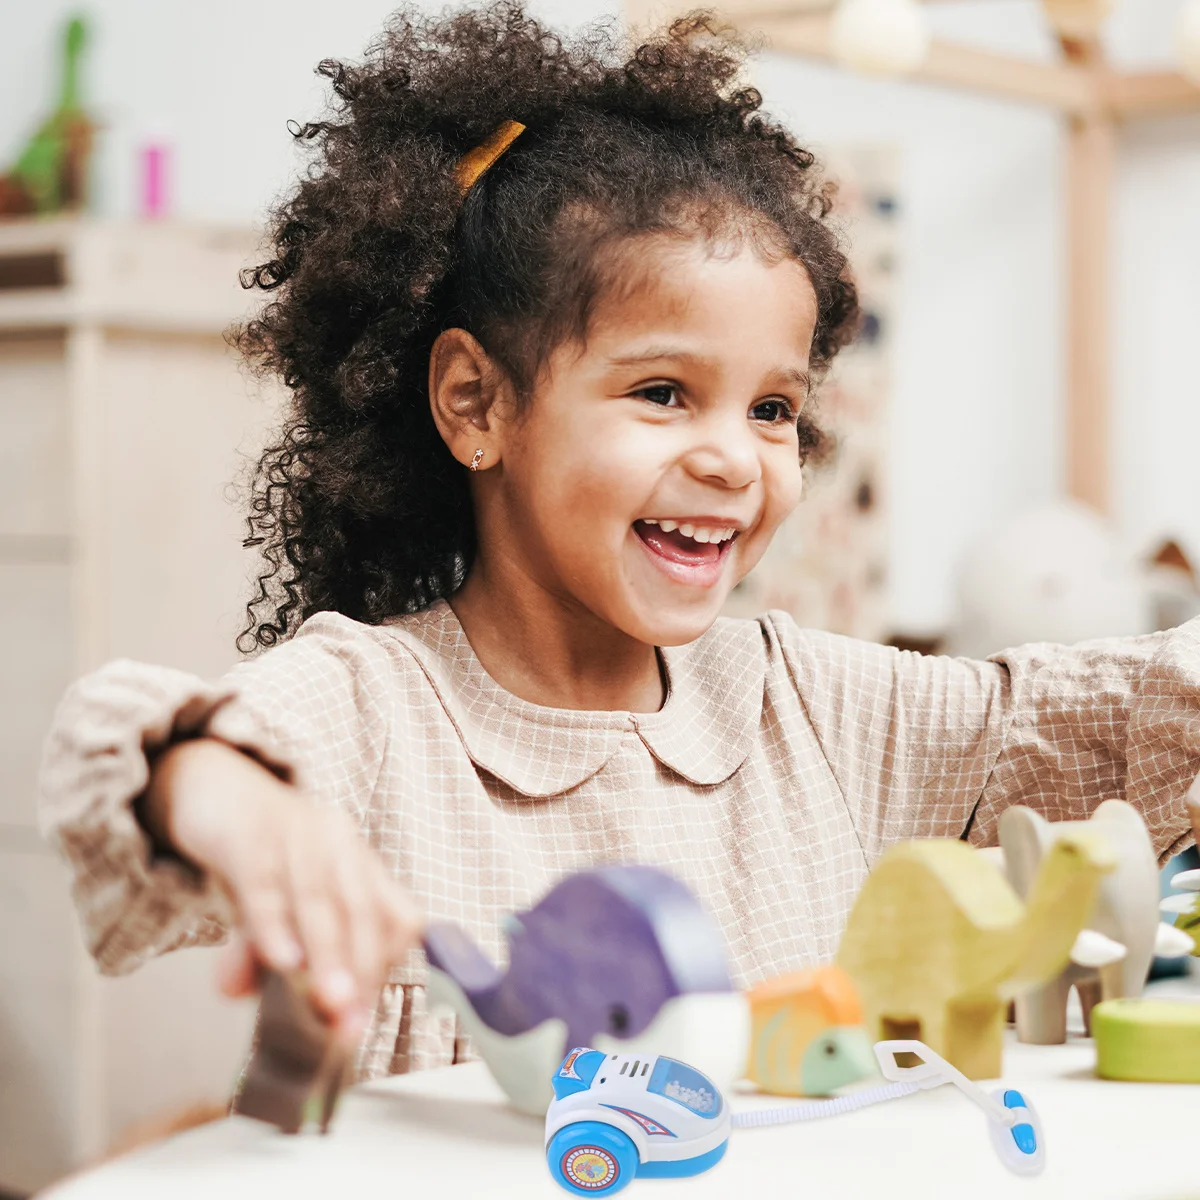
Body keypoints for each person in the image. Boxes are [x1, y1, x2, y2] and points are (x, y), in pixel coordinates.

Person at [39, 2, 1199, 1088]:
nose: (737, 459)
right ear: (476, 405)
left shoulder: (815, 708)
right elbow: (119, 750)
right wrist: (227, 796)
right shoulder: (373, 712)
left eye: (773, 410)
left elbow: (1125, 714)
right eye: (662, 391)